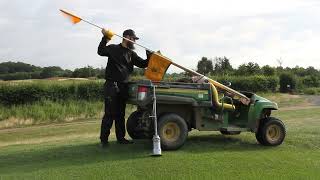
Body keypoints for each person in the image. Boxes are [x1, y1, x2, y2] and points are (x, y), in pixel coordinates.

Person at [98, 28, 151, 146]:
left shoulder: (131, 54)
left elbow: (143, 64)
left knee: (120, 114)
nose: (134, 42)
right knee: (109, 114)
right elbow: (100, 51)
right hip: (111, 85)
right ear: (127, 37)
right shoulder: (113, 48)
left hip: (123, 86)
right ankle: (104, 140)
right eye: (133, 39)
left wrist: (149, 57)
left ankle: (121, 138)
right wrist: (105, 38)